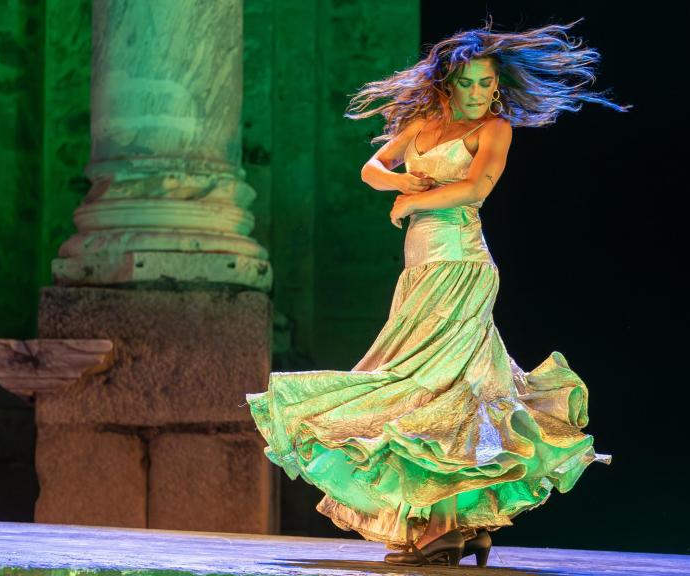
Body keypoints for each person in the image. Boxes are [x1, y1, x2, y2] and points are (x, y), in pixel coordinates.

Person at [245, 16, 631, 568]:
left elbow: (475, 187)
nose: (477, 93)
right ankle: (459, 523)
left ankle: (445, 527)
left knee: (443, 389)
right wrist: (401, 182)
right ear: (448, 83)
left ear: (497, 84)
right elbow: (372, 167)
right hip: (420, 272)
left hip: (461, 266)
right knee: (430, 394)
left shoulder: (495, 129)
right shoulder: (426, 123)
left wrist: (411, 203)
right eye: (467, 83)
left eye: (485, 83)